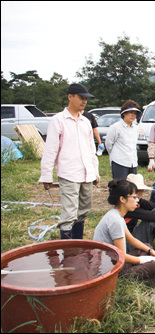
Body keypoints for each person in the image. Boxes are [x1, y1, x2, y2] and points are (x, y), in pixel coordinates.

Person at [39, 83, 100, 239]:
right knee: (70, 213)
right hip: (69, 173)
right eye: (81, 98)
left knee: (84, 209)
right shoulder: (58, 120)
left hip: (86, 173)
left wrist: (95, 171)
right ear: (70, 97)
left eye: (86, 99)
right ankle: (67, 249)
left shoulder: (85, 121)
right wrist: (47, 176)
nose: (84, 101)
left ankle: (77, 243)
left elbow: (91, 149)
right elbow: (50, 149)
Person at [93, 179, 155, 287]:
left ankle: (146, 277)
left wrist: (151, 251)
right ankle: (136, 280)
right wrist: (149, 259)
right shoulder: (115, 220)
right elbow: (122, 256)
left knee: (146, 246)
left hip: (115, 262)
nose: (137, 200)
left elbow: (131, 239)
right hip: (112, 270)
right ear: (122, 199)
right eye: (134, 197)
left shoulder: (117, 215)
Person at [105, 100, 141, 180]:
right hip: (119, 161)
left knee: (132, 187)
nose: (133, 115)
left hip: (132, 161)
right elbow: (108, 144)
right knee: (119, 186)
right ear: (124, 113)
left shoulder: (136, 128)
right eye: (130, 112)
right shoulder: (116, 127)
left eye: (135, 113)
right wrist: (115, 154)